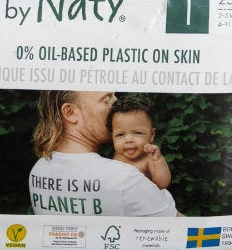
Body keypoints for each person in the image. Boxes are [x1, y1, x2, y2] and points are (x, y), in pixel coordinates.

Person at [27, 89, 176, 217]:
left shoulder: (39, 169)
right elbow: (182, 229)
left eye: (114, 96)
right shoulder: (124, 177)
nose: (116, 104)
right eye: (106, 100)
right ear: (71, 113)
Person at [109, 100, 173, 195]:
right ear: (112, 137)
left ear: (152, 135)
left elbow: (162, 184)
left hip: (145, 204)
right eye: (120, 134)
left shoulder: (148, 159)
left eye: (137, 133)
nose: (128, 140)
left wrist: (158, 160)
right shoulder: (116, 156)